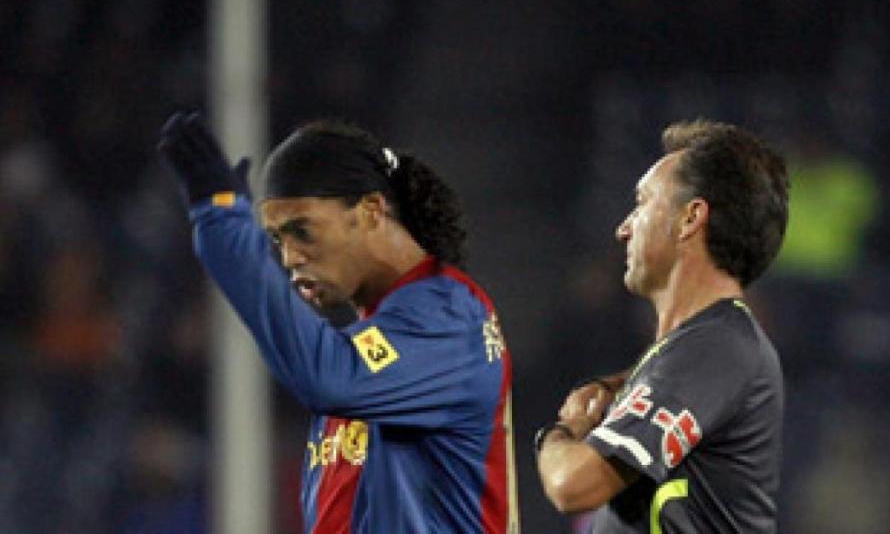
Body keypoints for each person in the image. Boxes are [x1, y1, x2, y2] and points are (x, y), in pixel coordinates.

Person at [157, 112, 517, 533]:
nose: (289, 258)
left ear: (369, 211)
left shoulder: (448, 316)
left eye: (302, 231)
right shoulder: (370, 349)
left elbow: (329, 375)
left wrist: (225, 226)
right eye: (276, 240)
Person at [536, 119, 789, 533]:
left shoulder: (716, 347)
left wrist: (562, 432)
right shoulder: (701, 348)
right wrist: (617, 386)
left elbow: (571, 485)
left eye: (642, 202)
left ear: (691, 218)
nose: (623, 228)